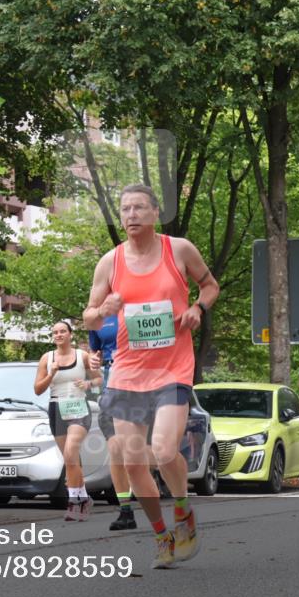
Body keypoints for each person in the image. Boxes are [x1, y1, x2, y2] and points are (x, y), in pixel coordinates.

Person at [83, 184, 219, 569]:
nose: (131, 215)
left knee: (162, 450)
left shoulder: (179, 250)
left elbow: (210, 285)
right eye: (125, 209)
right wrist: (103, 309)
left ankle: (182, 509)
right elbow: (89, 316)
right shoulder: (110, 262)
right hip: (127, 370)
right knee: (131, 460)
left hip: (172, 366)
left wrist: (197, 309)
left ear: (155, 212)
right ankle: (161, 535)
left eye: (139, 207)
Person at [34, 320, 102, 521]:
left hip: (78, 406)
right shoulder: (47, 358)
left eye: (63, 331)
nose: (59, 335)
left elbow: (99, 379)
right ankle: (84, 499)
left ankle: (73, 503)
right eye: (55, 332)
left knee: (72, 452)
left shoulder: (82, 356)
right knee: (70, 459)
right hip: (56, 407)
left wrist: (88, 383)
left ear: (70, 334)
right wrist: (51, 373)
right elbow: (37, 389)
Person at [88, 313, 137, 531]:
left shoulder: (142, 305)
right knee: (116, 451)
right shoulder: (98, 316)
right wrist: (93, 360)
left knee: (140, 454)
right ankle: (125, 510)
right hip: (112, 387)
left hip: (141, 385)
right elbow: (94, 352)